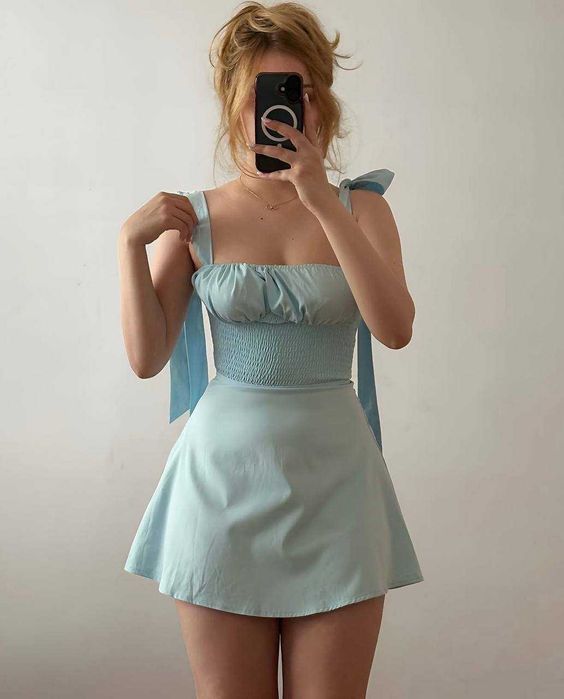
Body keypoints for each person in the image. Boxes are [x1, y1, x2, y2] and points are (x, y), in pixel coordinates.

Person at [118, 2, 424, 697]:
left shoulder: (362, 208)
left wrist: (320, 200)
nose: (290, 109)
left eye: (303, 90)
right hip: (220, 488)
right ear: (237, 102)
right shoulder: (193, 216)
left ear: (323, 100)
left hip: (338, 489)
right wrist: (128, 245)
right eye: (269, 92)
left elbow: (395, 327)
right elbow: (146, 357)